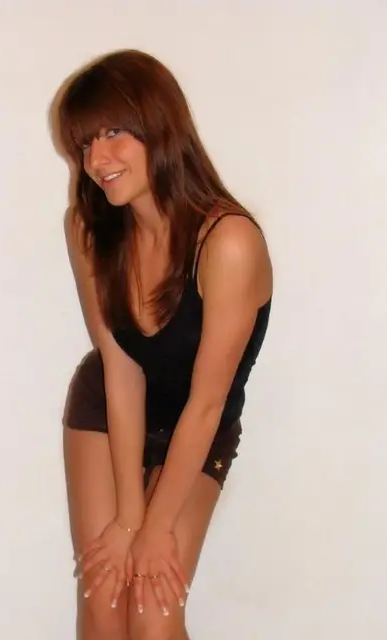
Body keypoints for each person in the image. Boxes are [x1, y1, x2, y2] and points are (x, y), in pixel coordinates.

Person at [53, 48, 273, 640]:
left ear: (160, 125)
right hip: (108, 410)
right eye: (84, 143)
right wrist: (129, 517)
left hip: (198, 425)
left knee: (153, 615)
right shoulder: (90, 228)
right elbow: (121, 368)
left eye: (113, 133)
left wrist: (154, 529)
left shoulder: (227, 243)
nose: (97, 159)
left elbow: (206, 404)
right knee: (104, 601)